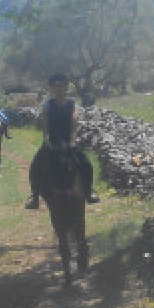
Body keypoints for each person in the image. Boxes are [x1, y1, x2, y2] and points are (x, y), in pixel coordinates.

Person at [25, 73, 100, 209]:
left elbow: (74, 122)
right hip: (52, 141)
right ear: (52, 89)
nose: (58, 89)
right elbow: (45, 123)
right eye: (55, 86)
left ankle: (89, 191)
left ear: (66, 87)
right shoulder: (47, 105)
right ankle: (35, 197)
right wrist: (46, 139)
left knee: (86, 163)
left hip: (68, 140)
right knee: (35, 165)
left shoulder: (73, 105)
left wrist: (72, 140)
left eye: (61, 86)